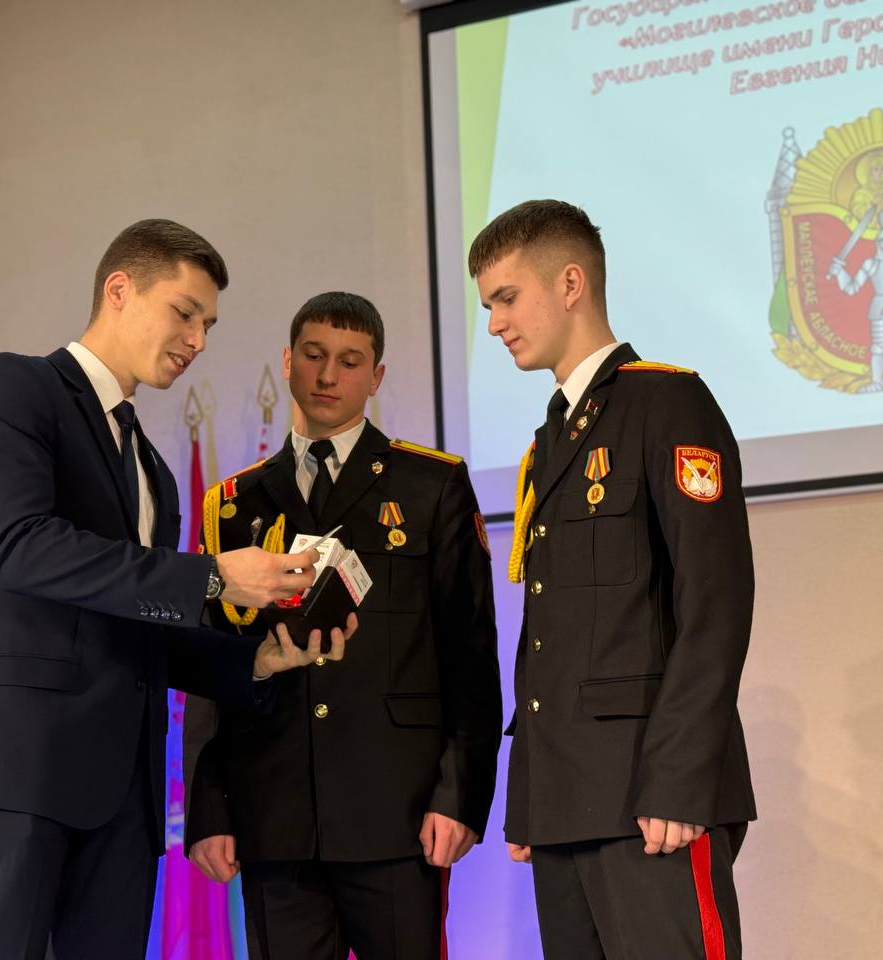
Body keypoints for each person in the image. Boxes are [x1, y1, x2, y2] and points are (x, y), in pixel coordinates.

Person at [0, 219, 354, 960]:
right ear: (119, 289)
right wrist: (214, 574)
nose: (198, 340)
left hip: (123, 793)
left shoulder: (155, 470)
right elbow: (19, 548)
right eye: (185, 312)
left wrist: (255, 660)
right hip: (15, 768)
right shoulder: (10, 386)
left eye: (208, 325)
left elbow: (137, 622)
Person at [469, 199, 756, 960]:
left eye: (506, 298)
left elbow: (716, 604)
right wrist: (529, 796)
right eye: (488, 305)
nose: (494, 323)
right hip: (565, 804)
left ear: (570, 284)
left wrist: (680, 781)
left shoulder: (668, 403)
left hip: (650, 798)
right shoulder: (549, 439)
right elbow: (550, 633)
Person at [183, 292, 502, 960]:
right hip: (274, 815)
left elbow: (470, 654)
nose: (328, 375)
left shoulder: (431, 486)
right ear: (288, 362)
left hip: (399, 814)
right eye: (314, 355)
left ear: (376, 377)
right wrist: (209, 809)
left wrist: (460, 796)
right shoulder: (234, 504)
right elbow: (211, 668)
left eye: (350, 361)